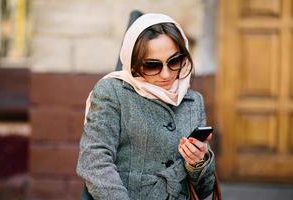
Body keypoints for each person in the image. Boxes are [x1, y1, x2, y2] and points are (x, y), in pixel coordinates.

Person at [76, 13, 215, 200]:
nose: (166, 74)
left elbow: (205, 189)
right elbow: (94, 162)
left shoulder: (194, 102)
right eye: (152, 65)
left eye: (174, 61)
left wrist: (197, 162)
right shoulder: (112, 91)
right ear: (134, 63)